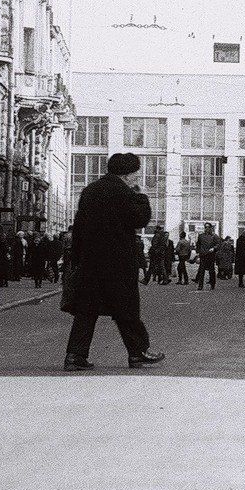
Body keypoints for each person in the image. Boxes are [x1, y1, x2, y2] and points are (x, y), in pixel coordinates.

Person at [60, 152, 162, 371]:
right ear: (127, 174)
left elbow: (78, 227)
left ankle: (74, 356)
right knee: (127, 309)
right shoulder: (125, 193)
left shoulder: (90, 191)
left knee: (86, 311)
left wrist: (77, 259)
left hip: (91, 262)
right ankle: (138, 353)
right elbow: (140, 219)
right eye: (136, 173)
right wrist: (141, 197)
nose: (137, 177)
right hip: (118, 262)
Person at [195, 223, 219, 291]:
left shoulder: (214, 236)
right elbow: (198, 245)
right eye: (205, 227)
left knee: (211, 271)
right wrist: (198, 254)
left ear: (211, 228)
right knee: (201, 271)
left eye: (208, 227)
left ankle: (212, 284)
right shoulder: (201, 236)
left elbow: (218, 244)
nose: (207, 228)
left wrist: (214, 248)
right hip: (203, 255)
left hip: (211, 255)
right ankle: (200, 285)